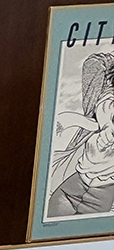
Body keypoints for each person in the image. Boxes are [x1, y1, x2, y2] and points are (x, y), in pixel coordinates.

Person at [47, 53, 114, 217]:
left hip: (102, 193)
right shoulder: (106, 101)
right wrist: (70, 120)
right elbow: (95, 63)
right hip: (76, 183)